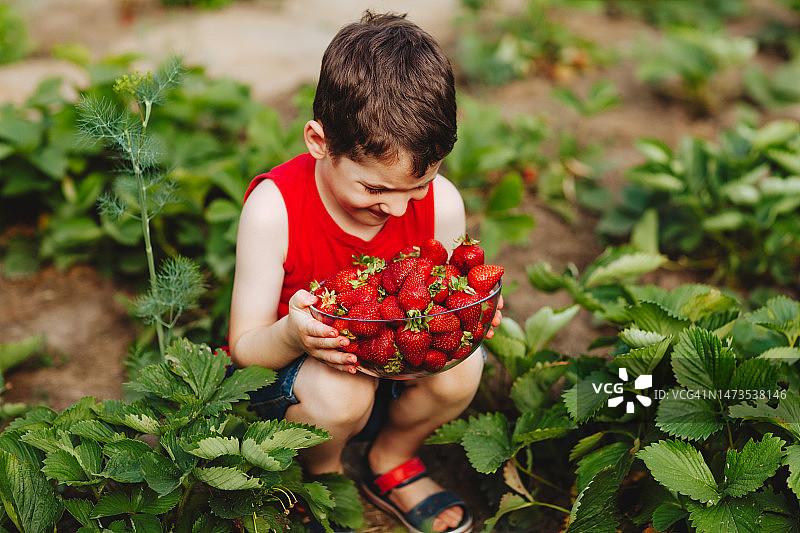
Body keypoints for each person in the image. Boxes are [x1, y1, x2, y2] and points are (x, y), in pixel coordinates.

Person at [228, 11, 502, 533]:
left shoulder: (442, 205)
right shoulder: (274, 209)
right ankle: (323, 474)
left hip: (394, 373)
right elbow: (245, 347)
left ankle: (390, 457)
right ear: (319, 141)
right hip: (301, 388)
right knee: (343, 393)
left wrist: (464, 317)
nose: (398, 210)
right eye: (375, 189)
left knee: (466, 365)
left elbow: (437, 301)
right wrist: (293, 333)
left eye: (416, 187)